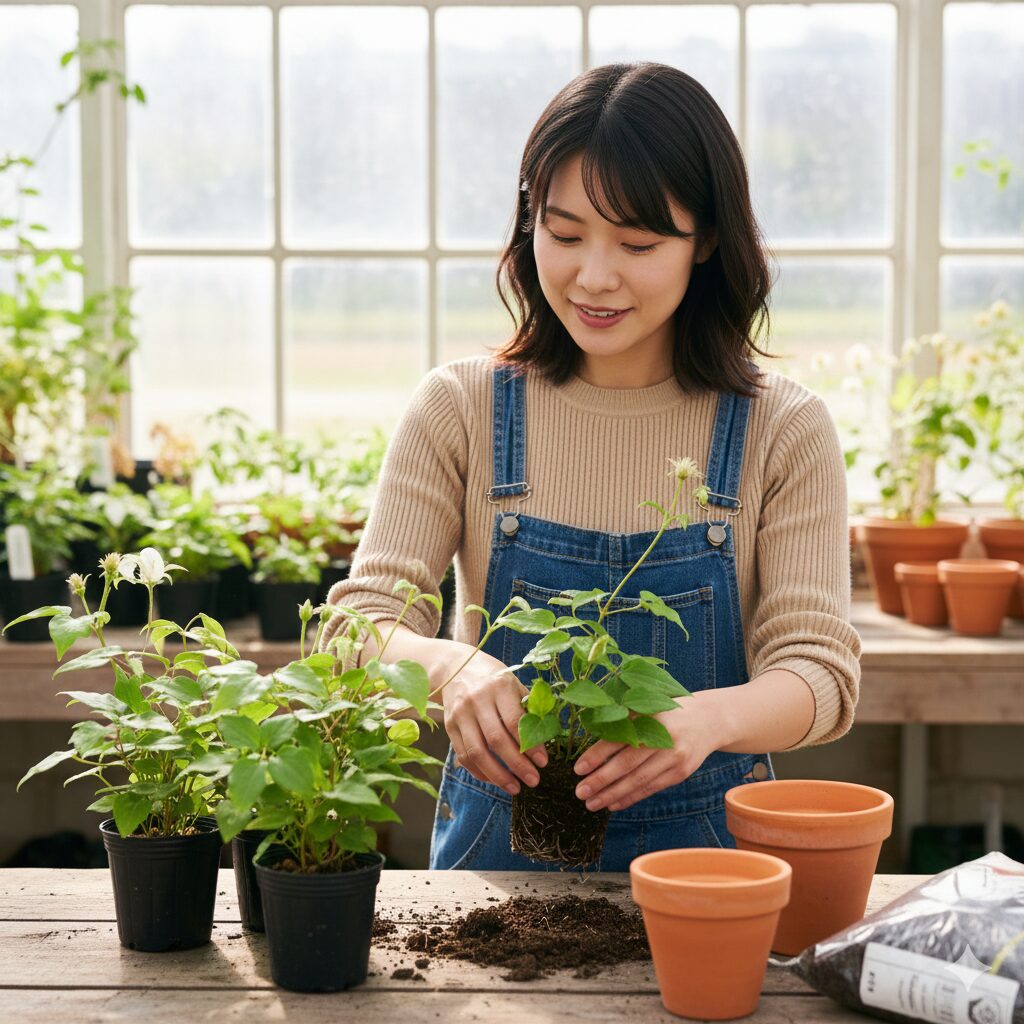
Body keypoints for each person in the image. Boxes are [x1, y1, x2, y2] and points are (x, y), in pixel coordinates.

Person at [321, 62, 861, 871]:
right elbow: (352, 632)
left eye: (638, 243)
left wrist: (708, 721)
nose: (594, 276)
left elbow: (820, 674)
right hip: (493, 874)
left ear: (706, 240)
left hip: (706, 866)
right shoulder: (461, 408)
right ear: (527, 222)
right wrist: (447, 666)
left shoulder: (782, 428)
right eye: (564, 234)